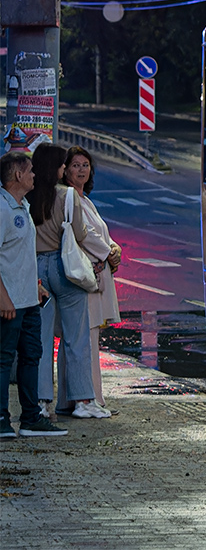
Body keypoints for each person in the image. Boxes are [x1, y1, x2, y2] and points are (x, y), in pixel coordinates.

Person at [30, 143, 110, 420]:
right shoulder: (66, 196)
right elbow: (78, 233)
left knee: (39, 342)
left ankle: (40, 404)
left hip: (36, 270)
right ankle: (82, 402)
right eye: (64, 164)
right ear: (57, 167)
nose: (67, 168)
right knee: (75, 339)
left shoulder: (28, 196)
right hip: (64, 268)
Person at [0, 151, 66, 437]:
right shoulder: (2, 209)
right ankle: (1, 420)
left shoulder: (22, 206)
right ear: (17, 175)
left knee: (32, 356)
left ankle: (30, 418)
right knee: (3, 360)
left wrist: (35, 284)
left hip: (28, 299)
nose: (34, 176)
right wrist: (3, 297)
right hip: (9, 302)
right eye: (30, 172)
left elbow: (20, 255)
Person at [61, 147, 121, 409]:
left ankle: (77, 398)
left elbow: (100, 234)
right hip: (86, 278)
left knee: (84, 337)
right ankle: (88, 399)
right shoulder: (70, 198)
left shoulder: (85, 199)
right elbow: (83, 235)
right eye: (75, 165)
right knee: (85, 339)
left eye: (85, 165)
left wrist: (113, 248)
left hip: (94, 274)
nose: (81, 170)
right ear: (65, 170)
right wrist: (109, 252)